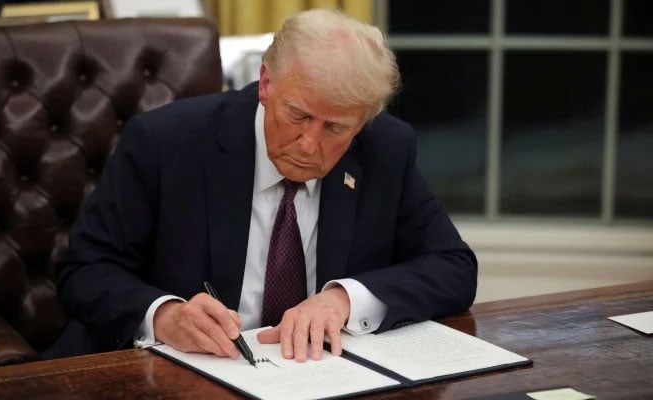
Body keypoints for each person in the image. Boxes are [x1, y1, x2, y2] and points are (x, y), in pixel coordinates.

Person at [50, 8, 477, 363]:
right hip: (180, 376)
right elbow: (84, 270)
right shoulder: (165, 143)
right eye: (298, 115)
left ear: (363, 121)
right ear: (266, 83)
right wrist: (164, 316)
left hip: (319, 379)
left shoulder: (386, 149)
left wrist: (344, 300)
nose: (310, 143)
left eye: (335, 128)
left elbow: (453, 267)